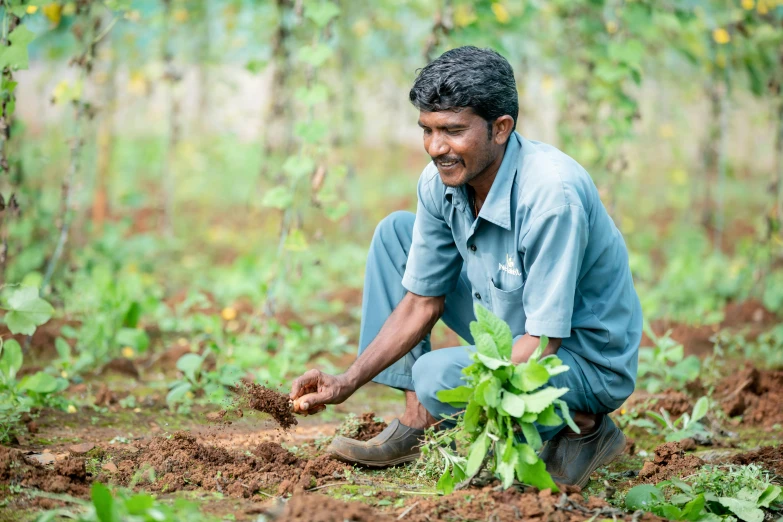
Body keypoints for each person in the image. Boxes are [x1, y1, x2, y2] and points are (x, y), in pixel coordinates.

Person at [288, 46, 642, 488]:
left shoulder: (551, 195)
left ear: (501, 128)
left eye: (453, 131)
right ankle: (418, 423)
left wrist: (480, 415)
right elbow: (421, 301)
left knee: (436, 375)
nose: (437, 148)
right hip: (511, 324)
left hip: (578, 358)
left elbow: (545, 340)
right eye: (427, 130)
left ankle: (585, 428)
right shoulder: (440, 181)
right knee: (395, 234)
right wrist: (346, 381)